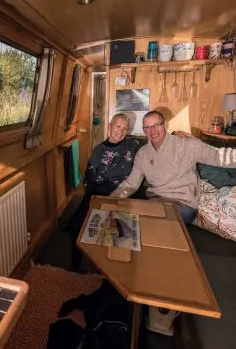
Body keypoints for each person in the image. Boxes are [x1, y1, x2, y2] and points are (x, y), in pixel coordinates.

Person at [110, 110, 236, 224]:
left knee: (144, 218)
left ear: (165, 125)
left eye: (156, 125)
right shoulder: (143, 153)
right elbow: (132, 183)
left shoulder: (187, 144)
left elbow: (223, 156)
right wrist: (111, 200)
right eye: (147, 127)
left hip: (182, 206)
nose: (151, 131)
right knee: (127, 218)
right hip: (154, 203)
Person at [67, 113, 193, 268]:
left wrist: (174, 134)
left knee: (124, 228)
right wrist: (97, 198)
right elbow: (89, 181)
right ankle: (77, 265)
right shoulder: (98, 151)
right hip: (101, 195)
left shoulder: (134, 144)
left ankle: (120, 265)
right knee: (78, 223)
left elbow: (157, 139)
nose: (120, 131)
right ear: (110, 126)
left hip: (129, 193)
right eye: (117, 126)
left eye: (125, 128)